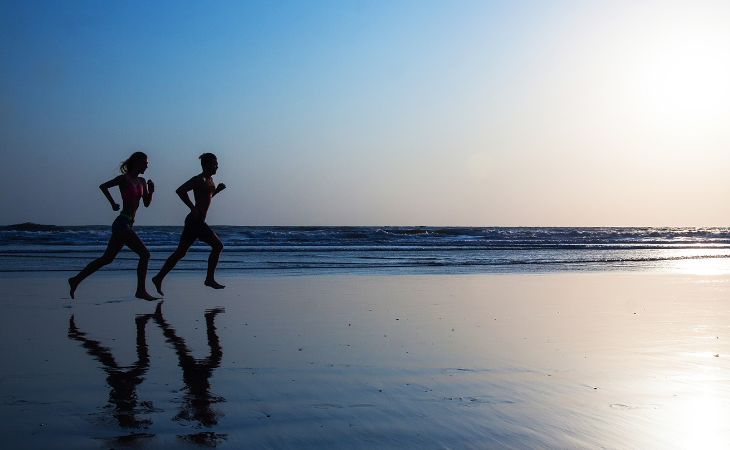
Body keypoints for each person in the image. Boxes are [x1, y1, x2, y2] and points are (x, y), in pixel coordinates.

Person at [68, 152, 158, 300]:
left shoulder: (142, 181)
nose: (147, 166)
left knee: (107, 258)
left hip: (128, 224)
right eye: (145, 163)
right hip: (121, 223)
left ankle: (75, 280)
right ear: (137, 162)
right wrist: (112, 203)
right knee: (145, 254)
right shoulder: (123, 179)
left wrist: (152, 191)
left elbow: (146, 204)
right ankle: (140, 290)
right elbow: (103, 186)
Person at [152, 153, 226, 295]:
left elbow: (206, 198)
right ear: (205, 165)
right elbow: (180, 191)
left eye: (217, 163)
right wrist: (192, 208)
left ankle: (158, 277)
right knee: (218, 246)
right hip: (195, 221)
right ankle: (209, 279)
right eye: (214, 163)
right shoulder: (198, 179)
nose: (217, 166)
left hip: (197, 221)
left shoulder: (210, 180)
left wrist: (217, 191)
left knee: (180, 252)